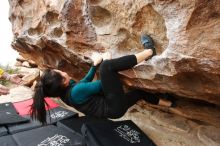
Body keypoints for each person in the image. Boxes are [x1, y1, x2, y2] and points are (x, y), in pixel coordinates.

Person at [31, 35, 175, 124]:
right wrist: (106, 63)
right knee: (107, 67)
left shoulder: (65, 93)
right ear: (64, 81)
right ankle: (150, 51)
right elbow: (104, 84)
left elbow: (84, 83)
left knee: (139, 94)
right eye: (60, 72)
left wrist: (94, 66)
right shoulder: (76, 91)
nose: (62, 71)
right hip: (113, 106)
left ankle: (169, 103)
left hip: (113, 111)